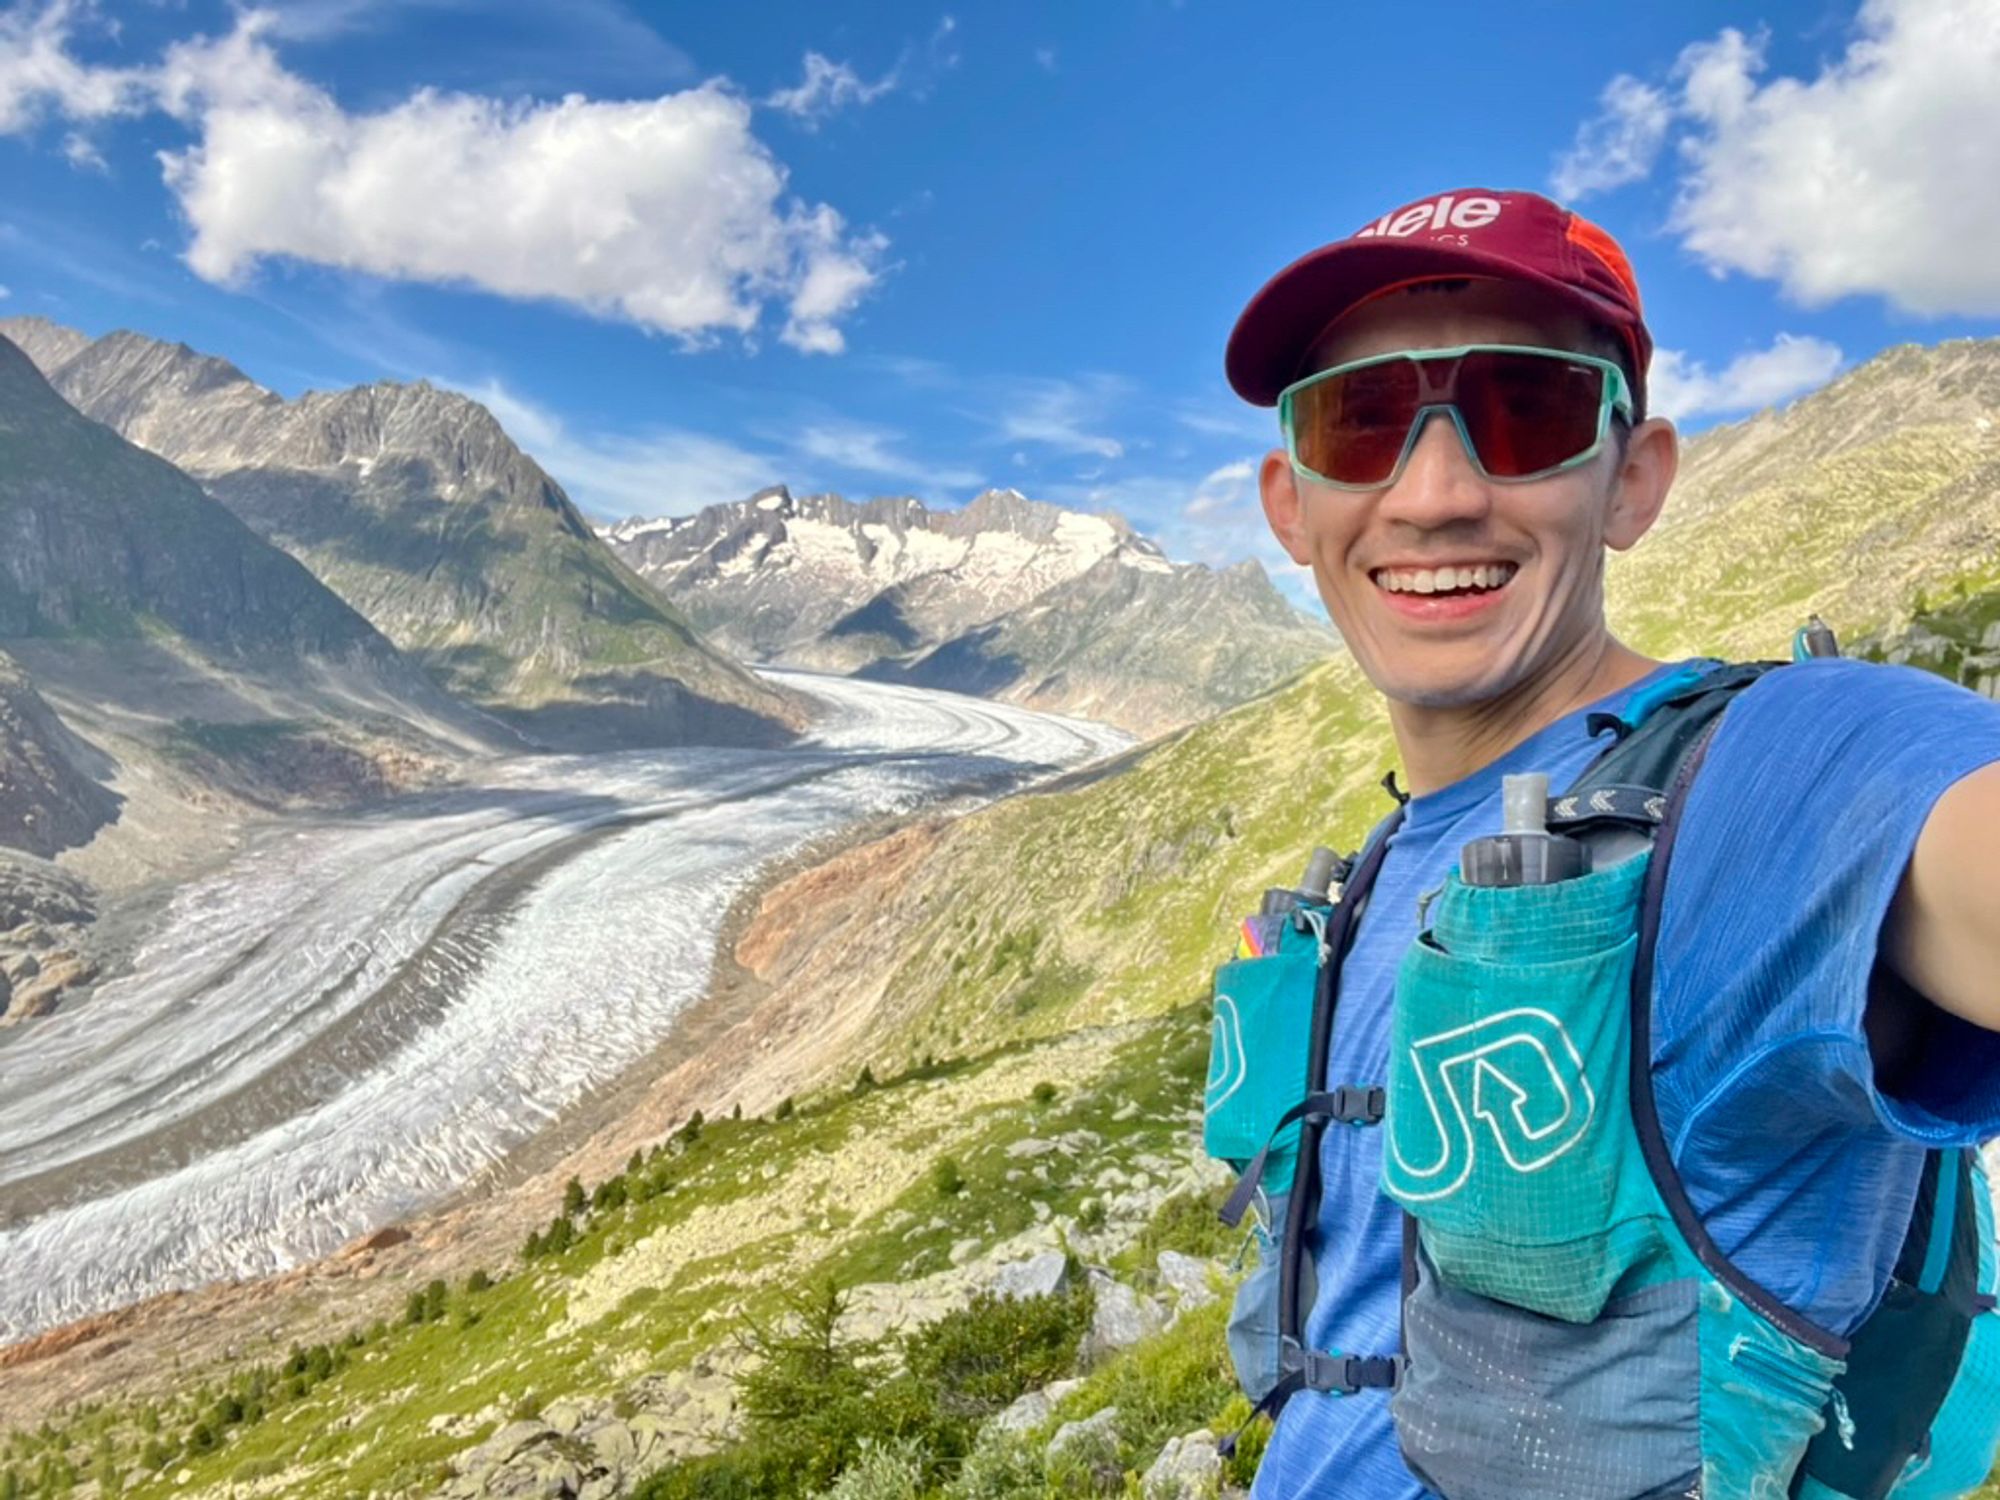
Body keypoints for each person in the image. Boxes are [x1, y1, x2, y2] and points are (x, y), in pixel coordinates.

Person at [1221, 186, 2000, 1498]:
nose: (1435, 493)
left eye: (1526, 411)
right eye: (1361, 424)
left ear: (1632, 480)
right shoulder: (1375, 875)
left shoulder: (1773, 774)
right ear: (1291, 503)